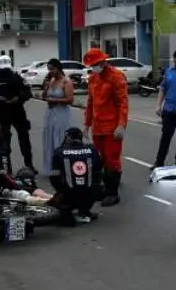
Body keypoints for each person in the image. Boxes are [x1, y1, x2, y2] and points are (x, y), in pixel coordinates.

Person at [82, 48, 129, 207]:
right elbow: (90, 103)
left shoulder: (116, 77)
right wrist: (86, 125)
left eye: (95, 64)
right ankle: (104, 187)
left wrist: (121, 125)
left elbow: (122, 103)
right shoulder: (93, 78)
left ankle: (112, 193)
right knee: (99, 159)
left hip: (112, 127)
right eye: (91, 65)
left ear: (103, 62)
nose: (93, 67)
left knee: (111, 159)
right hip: (98, 126)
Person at [0, 54, 35, 172]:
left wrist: (18, 98)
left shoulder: (18, 78)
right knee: (4, 141)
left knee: (24, 140)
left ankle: (29, 165)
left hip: (18, 112)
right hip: (2, 113)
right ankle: (6, 168)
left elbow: (28, 93)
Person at [47, 127, 102, 226]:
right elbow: (98, 170)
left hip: (69, 196)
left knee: (58, 210)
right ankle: (84, 210)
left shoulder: (59, 152)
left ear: (68, 138)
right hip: (90, 195)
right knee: (95, 181)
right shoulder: (92, 149)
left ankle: (66, 210)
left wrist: (60, 192)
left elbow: (54, 177)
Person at [40, 58, 75, 172]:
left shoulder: (66, 82)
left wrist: (54, 101)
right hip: (50, 114)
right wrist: (46, 84)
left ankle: (63, 167)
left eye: (53, 69)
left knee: (60, 137)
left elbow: (70, 100)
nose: (51, 72)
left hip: (61, 114)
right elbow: (44, 96)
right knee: (50, 137)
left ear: (58, 68)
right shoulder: (51, 81)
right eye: (49, 70)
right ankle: (52, 166)